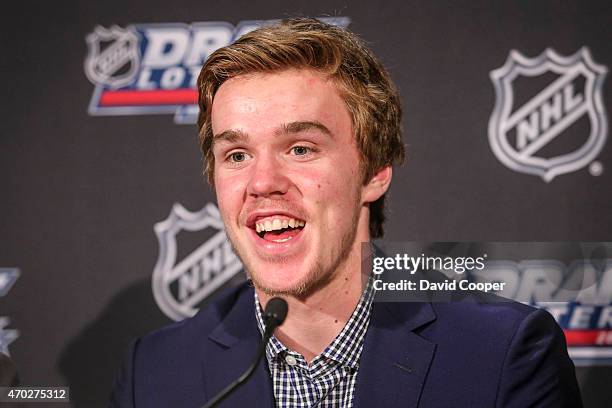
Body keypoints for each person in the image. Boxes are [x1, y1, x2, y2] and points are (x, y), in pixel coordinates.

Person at [109, 18, 582, 407]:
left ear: (374, 171)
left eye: (300, 148)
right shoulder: (154, 374)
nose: (262, 182)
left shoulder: (503, 354)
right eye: (237, 155)